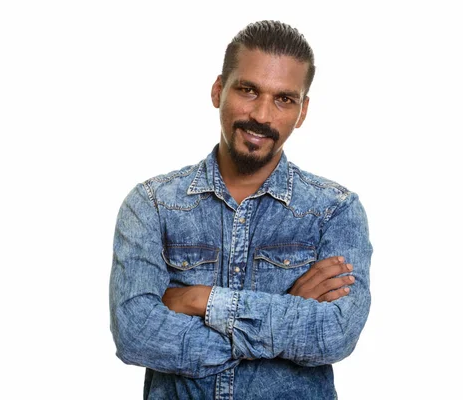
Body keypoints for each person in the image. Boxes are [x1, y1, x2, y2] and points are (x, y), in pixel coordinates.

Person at [109, 20, 372, 399]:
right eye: (248, 90)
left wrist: (200, 300)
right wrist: (285, 316)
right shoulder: (152, 205)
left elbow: (335, 335)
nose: (262, 116)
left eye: (284, 99)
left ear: (302, 111)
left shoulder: (335, 211)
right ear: (218, 90)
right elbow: (135, 334)